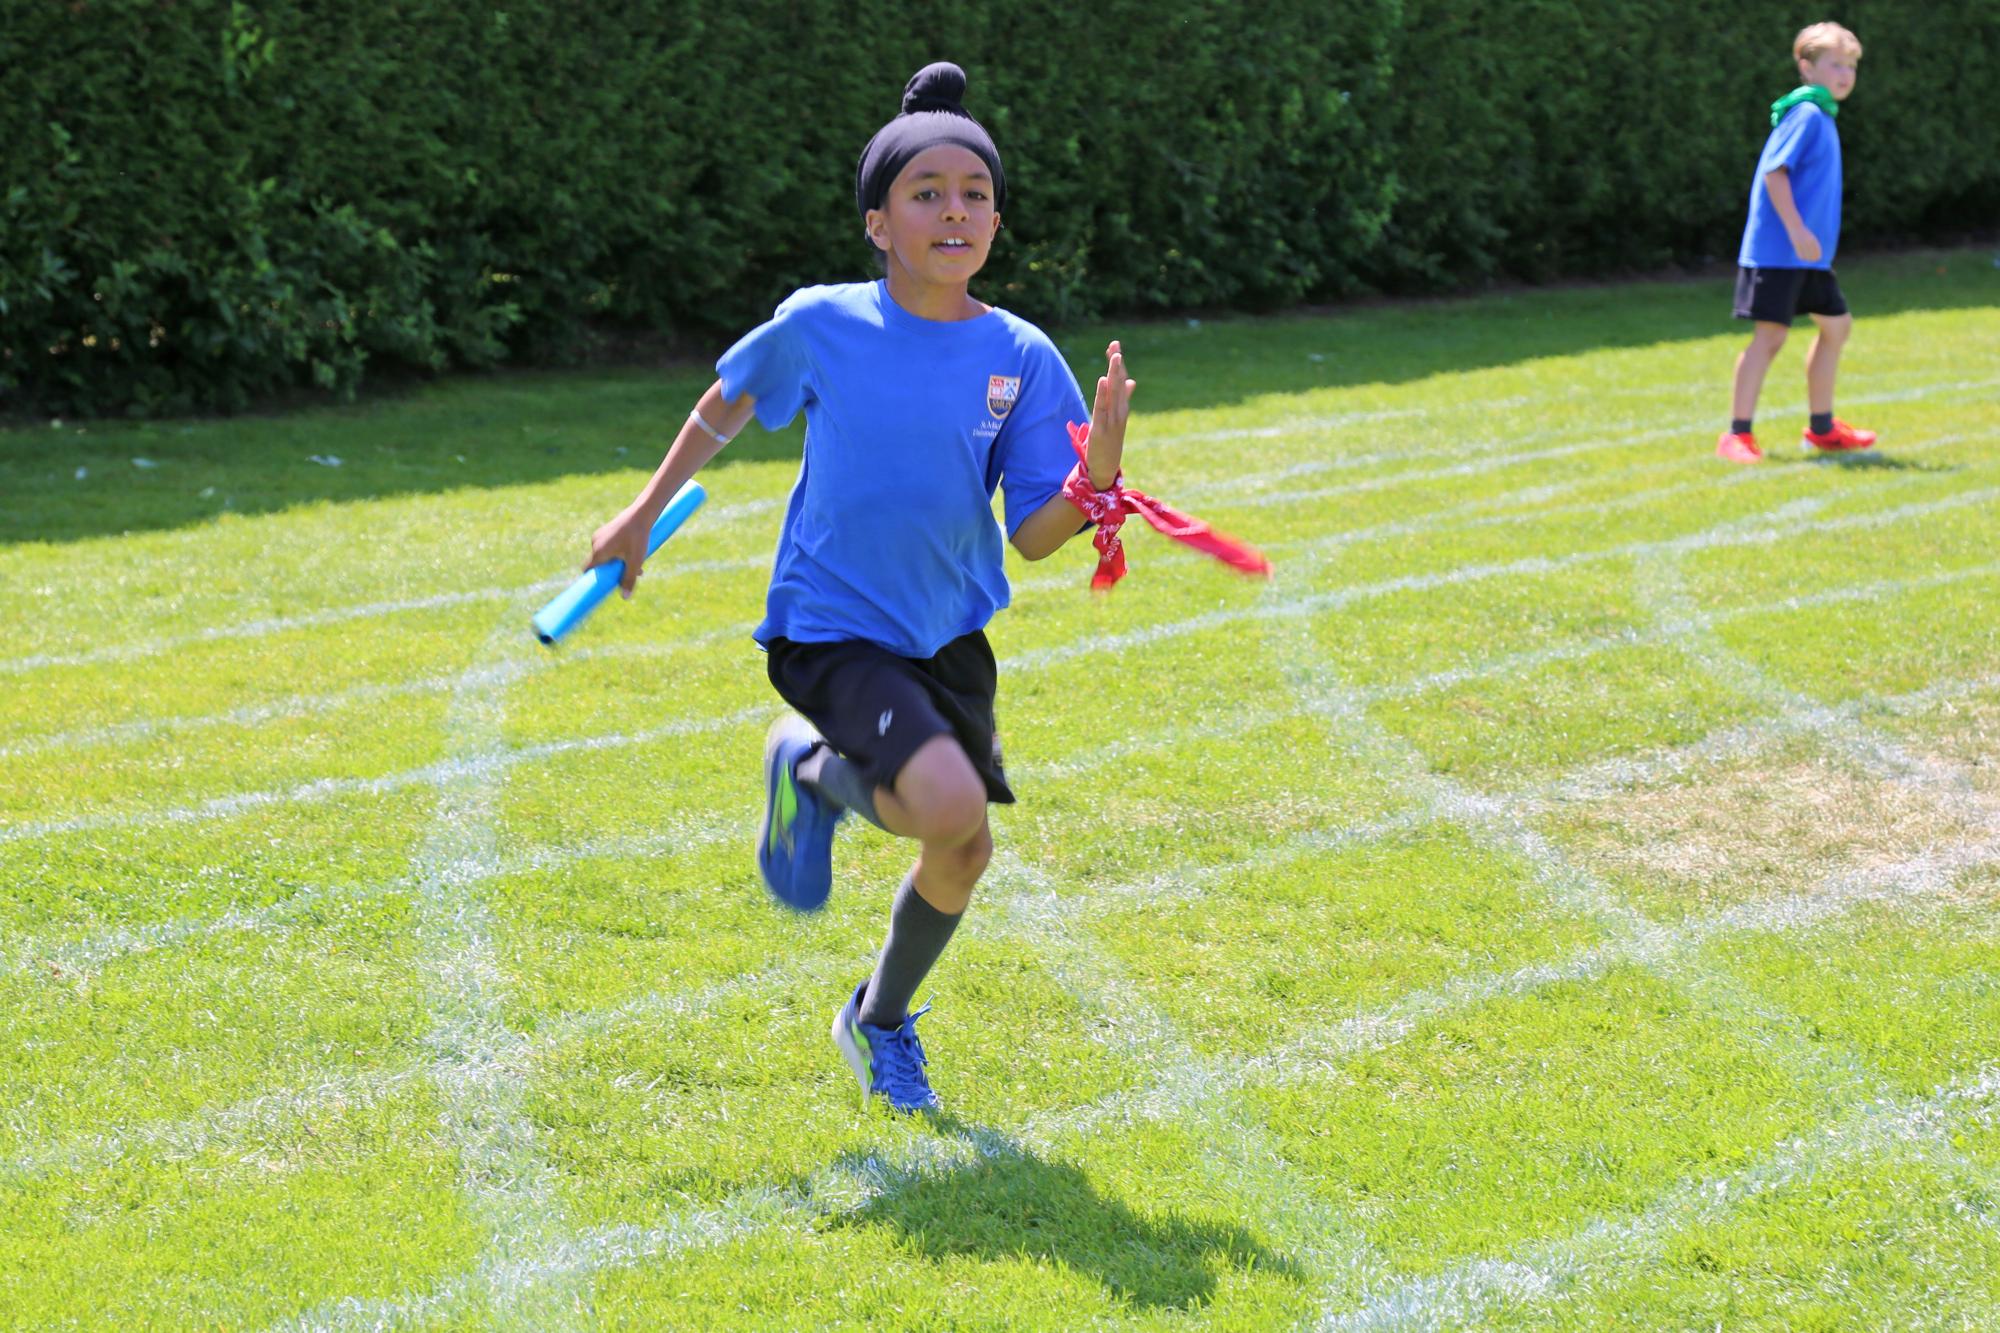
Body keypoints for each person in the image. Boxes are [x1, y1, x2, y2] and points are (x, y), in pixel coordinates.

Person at [584, 62, 1134, 1113]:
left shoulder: (1019, 355)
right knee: (947, 799)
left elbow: (1033, 535)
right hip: (832, 627)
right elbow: (725, 403)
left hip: (943, 635)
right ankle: (816, 771)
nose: (953, 209)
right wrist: (639, 516)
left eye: (973, 194)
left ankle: (875, 1019)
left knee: (960, 845)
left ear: (996, 221)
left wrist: (1095, 482)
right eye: (925, 191)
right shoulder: (823, 323)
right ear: (878, 223)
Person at [1717, 21, 1877, 464]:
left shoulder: (1822, 114)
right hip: (1779, 252)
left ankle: (1822, 429)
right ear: (1806, 68)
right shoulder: (1805, 114)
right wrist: (1796, 230)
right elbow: (1774, 173)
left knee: (1836, 326)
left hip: (1809, 258)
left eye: (1851, 66)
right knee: (1769, 337)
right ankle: (1737, 436)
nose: (1845, 74)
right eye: (1834, 64)